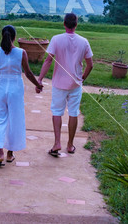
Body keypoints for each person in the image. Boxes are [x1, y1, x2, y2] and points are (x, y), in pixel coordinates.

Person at [37, 13, 93, 156]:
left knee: (57, 112)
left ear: (64, 24)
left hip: (59, 84)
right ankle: (70, 145)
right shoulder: (84, 41)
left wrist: (40, 79)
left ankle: (57, 143)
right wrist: (83, 78)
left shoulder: (56, 39)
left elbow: (48, 61)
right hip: (75, 84)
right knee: (73, 113)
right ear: (76, 24)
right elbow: (90, 65)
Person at [0, 25, 43, 167]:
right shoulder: (21, 52)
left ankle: (0, 153)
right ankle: (10, 154)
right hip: (15, 88)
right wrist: (38, 84)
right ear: (14, 37)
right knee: (14, 119)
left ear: (2, 36)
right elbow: (28, 73)